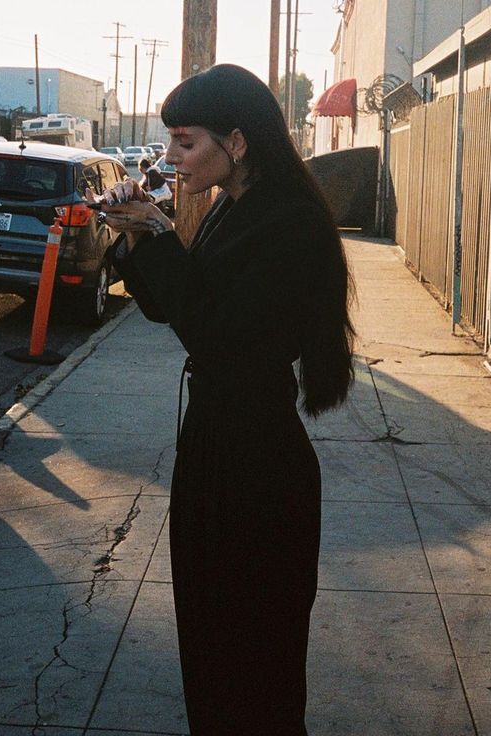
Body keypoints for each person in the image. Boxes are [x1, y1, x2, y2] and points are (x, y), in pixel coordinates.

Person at [89, 64, 354, 736]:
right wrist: (134, 234)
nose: (168, 158)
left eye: (184, 141)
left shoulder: (290, 221)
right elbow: (169, 310)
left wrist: (159, 234)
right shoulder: (233, 207)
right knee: (209, 648)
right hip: (215, 448)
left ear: (236, 141)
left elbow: (217, 333)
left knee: (252, 666)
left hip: (257, 464)